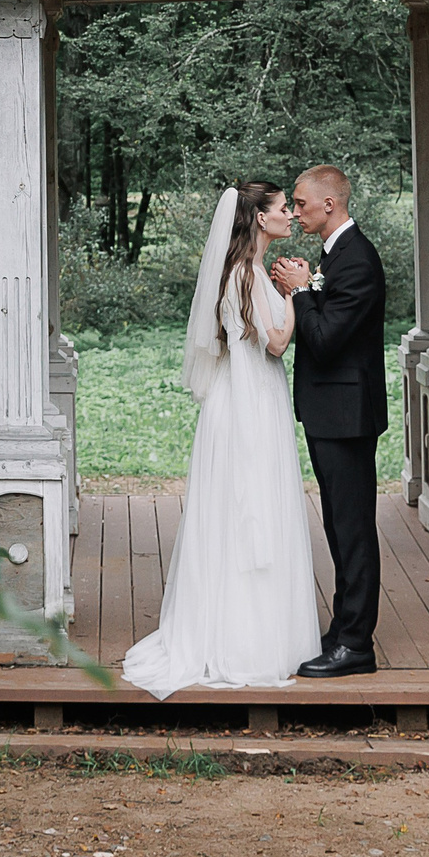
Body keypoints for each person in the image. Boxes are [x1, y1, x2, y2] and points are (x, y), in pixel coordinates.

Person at [121, 180, 322, 696]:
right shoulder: (248, 276)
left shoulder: (244, 272)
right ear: (259, 218)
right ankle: (249, 642)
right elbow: (276, 345)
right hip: (251, 403)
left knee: (239, 511)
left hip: (241, 398)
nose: (290, 216)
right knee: (253, 509)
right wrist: (297, 295)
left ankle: (237, 631)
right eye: (283, 209)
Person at [269, 164, 388, 678]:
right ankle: (343, 629)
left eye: (299, 203)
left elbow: (325, 339)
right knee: (340, 527)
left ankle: (356, 646)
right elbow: (327, 320)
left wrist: (300, 291)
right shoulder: (335, 254)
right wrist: (304, 288)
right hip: (331, 413)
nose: (295, 211)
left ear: (328, 206)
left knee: (353, 529)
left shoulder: (357, 259)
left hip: (346, 416)